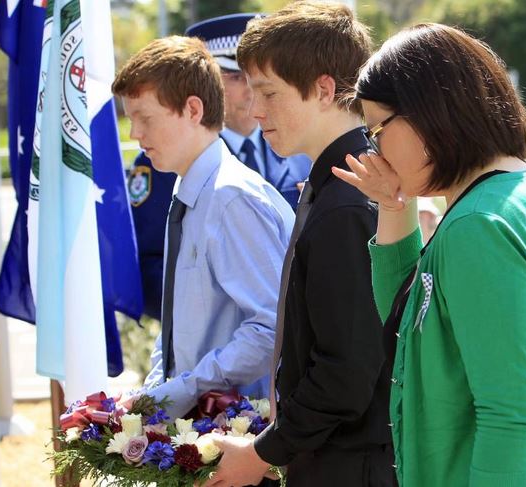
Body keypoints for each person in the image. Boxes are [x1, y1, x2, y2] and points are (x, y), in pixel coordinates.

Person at [332, 24, 526, 486]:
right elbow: (406, 320)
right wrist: (392, 203)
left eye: (377, 130)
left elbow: (508, 417)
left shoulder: (478, 227)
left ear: (428, 113)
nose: (374, 150)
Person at [204, 3, 396, 486]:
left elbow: (346, 372)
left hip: (350, 466)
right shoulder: (339, 181)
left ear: (325, 89)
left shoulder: (349, 200)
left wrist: (263, 452)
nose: (253, 109)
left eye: (268, 92)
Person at [112, 36, 295, 418]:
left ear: (193, 109)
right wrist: (157, 393)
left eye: (145, 118)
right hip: (202, 425)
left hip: (240, 431)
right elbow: (178, 327)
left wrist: (186, 388)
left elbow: (271, 329)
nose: (134, 135)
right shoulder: (190, 190)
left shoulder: (231, 199)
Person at [128, 14, 311, 320]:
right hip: (207, 348)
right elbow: (146, 262)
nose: (251, 89)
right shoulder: (165, 160)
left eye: (258, 76)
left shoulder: (300, 151)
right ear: (210, 81)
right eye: (238, 76)